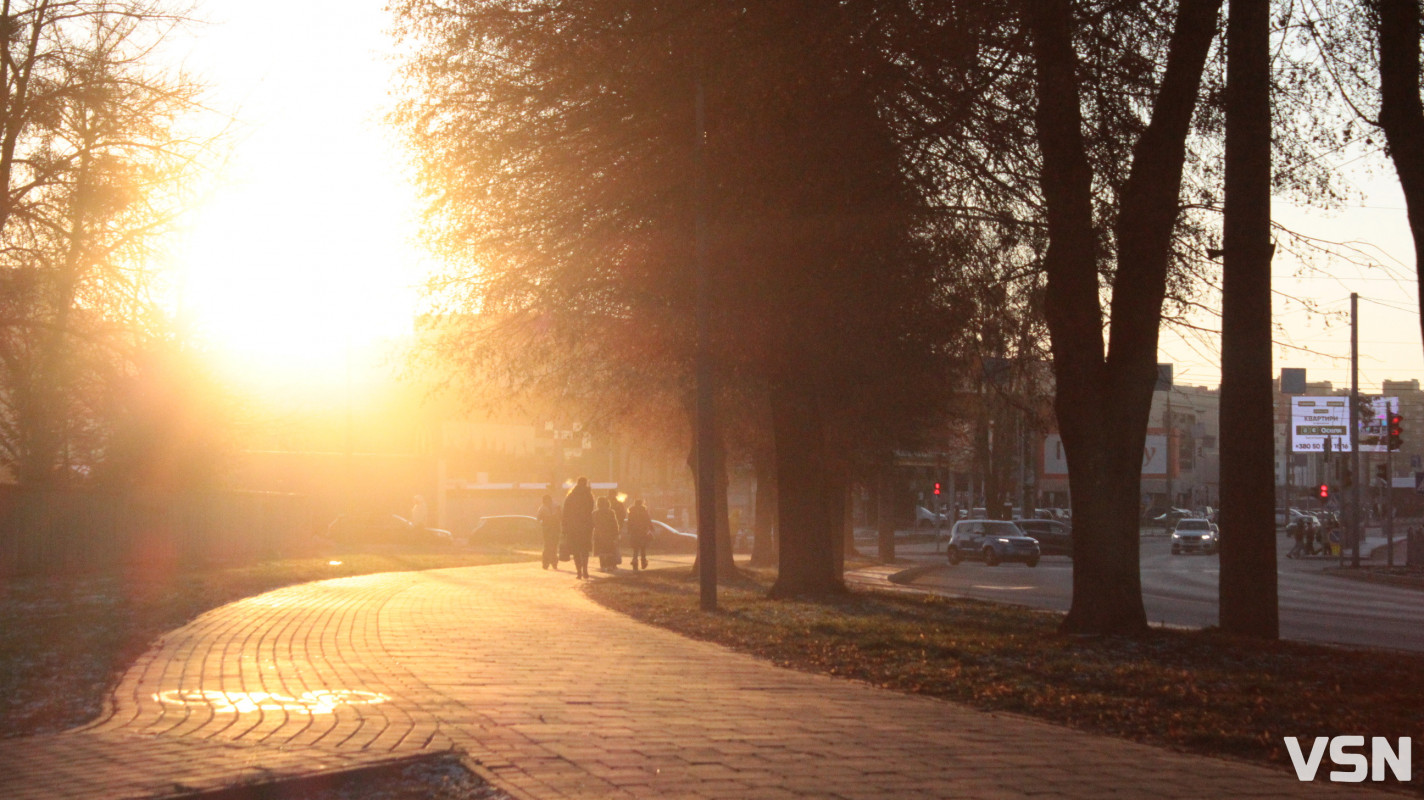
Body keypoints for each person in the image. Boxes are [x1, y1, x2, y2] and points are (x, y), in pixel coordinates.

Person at [562, 477, 595, 579]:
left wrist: (564, 526)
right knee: (584, 550)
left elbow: (565, 513)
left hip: (573, 527)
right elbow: (591, 510)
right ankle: (585, 569)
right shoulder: (589, 496)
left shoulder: (571, 496)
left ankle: (579, 572)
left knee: (576, 550)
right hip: (585, 527)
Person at [593, 495, 621, 572]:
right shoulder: (611, 512)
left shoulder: (595, 513)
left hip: (598, 534)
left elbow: (592, 524)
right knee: (609, 550)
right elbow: (615, 524)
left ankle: (602, 565)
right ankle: (609, 565)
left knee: (601, 551)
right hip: (609, 534)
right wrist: (616, 534)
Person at [627, 498, 652, 571]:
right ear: (642, 503)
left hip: (634, 532)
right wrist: (650, 528)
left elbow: (629, 522)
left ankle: (634, 560)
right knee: (643, 548)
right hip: (642, 532)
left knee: (635, 548)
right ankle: (643, 562)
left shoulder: (631, 512)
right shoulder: (644, 511)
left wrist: (629, 530)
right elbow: (648, 520)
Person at [537, 494, 561, 570]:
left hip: (555, 528)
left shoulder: (556, 506)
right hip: (547, 529)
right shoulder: (542, 508)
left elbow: (561, 515)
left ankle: (554, 563)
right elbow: (538, 518)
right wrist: (546, 518)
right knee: (547, 546)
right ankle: (546, 563)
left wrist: (555, 518)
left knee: (553, 546)